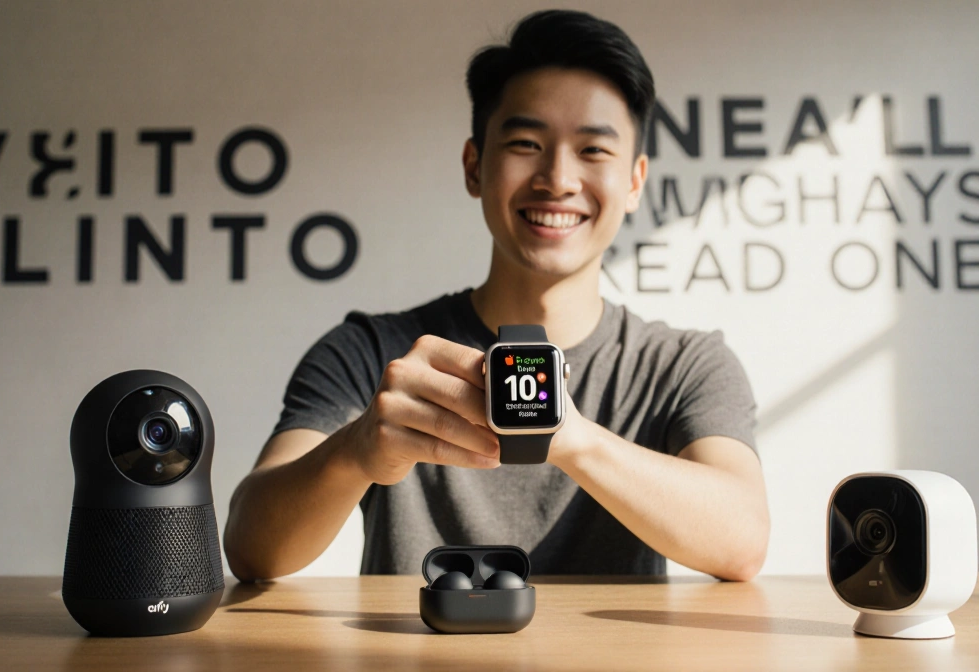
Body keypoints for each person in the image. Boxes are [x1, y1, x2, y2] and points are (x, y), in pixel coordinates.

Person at [224, 9, 769, 581]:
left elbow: (742, 542)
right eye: (527, 143)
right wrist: (356, 449)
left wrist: (571, 438)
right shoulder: (373, 352)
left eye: (593, 150)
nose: (558, 179)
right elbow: (251, 548)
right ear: (474, 166)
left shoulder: (684, 366)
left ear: (634, 182)